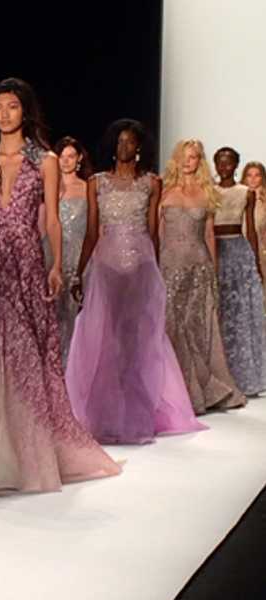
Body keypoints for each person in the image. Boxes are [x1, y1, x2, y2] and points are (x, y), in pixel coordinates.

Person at [0, 77, 121, 494]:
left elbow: (51, 219)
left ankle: (27, 456)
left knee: (24, 357)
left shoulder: (44, 160)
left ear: (25, 111)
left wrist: (56, 265)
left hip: (25, 263)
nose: (4, 115)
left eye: (12, 106)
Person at [66, 120, 203, 444]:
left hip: (141, 267)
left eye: (129, 142)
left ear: (139, 146)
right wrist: (79, 273)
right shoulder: (97, 183)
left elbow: (153, 232)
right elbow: (91, 232)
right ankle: (105, 415)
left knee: (136, 340)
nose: (123, 147)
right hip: (106, 267)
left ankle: (135, 415)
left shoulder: (151, 183)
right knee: (105, 339)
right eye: (119, 141)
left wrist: (157, 272)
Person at [158, 139, 245, 414]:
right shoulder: (163, 191)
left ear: (199, 161)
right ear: (176, 159)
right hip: (169, 266)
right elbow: (157, 233)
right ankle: (174, 391)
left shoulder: (206, 194)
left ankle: (200, 391)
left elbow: (209, 236)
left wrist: (214, 272)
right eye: (184, 156)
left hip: (199, 267)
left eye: (193, 157)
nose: (188, 161)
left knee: (196, 328)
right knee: (170, 325)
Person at [212, 147, 265, 396]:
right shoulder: (208, 191)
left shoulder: (245, 192)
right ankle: (218, 373)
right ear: (215, 164)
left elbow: (251, 230)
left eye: (229, 163)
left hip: (237, 250)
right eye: (220, 162)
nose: (224, 167)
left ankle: (242, 374)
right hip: (214, 248)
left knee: (238, 312)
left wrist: (255, 263)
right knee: (219, 310)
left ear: (236, 165)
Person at [50, 136, 90, 362]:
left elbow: (95, 228)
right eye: (62, 156)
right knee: (54, 314)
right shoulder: (50, 188)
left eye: (71, 156)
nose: (66, 161)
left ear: (79, 158)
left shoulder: (88, 188)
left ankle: (73, 367)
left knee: (77, 313)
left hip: (79, 257)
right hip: (54, 255)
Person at [240, 160, 266, 303]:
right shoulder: (238, 198)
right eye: (249, 175)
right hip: (240, 249)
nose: (253, 179)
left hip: (262, 251)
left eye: (257, 175)